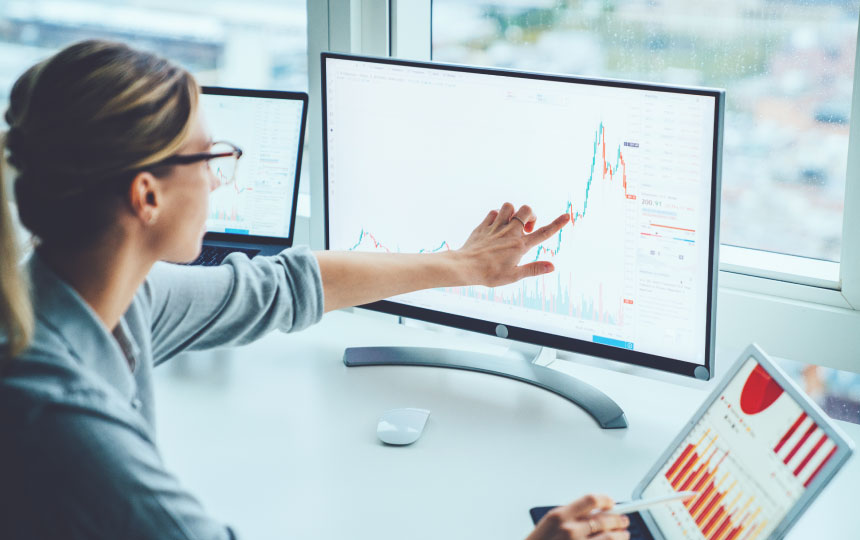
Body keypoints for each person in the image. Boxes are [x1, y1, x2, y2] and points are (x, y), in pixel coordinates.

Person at [0, 40, 630, 540]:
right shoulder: (61, 422)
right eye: (208, 159)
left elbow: (281, 287)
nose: (220, 182)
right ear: (147, 195)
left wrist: (466, 266)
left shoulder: (82, 296)